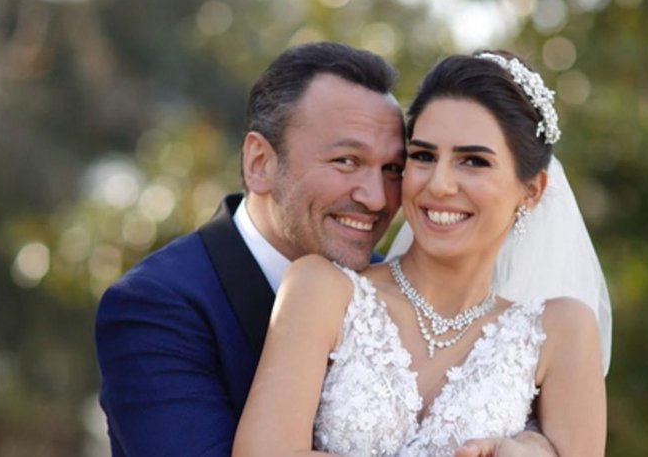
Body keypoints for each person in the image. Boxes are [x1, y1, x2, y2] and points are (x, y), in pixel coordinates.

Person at [95, 42, 556, 456]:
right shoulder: (155, 306)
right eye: (347, 161)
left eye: (393, 169)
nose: (376, 199)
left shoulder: (397, 299)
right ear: (260, 163)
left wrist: (535, 443)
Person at [232, 51, 609, 456]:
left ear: (531, 191)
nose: (439, 185)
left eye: (473, 161)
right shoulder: (322, 290)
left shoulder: (561, 331)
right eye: (424, 156)